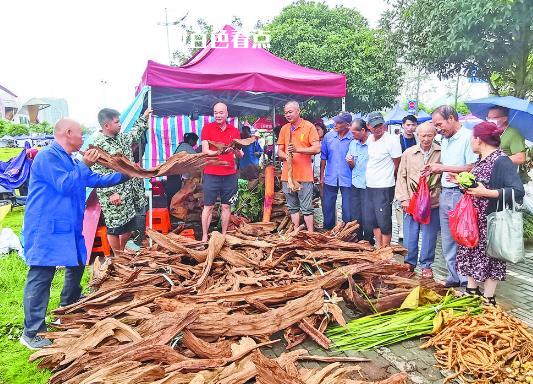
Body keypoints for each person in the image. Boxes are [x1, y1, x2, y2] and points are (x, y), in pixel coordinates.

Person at [20, 118, 128, 349]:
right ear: (68, 133)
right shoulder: (48, 156)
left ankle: (67, 309)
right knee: (41, 274)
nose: (83, 138)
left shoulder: (69, 159)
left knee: (78, 263)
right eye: (81, 134)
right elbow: (65, 185)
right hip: (46, 227)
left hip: (68, 225)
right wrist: (84, 165)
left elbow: (94, 180)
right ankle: (32, 332)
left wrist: (126, 174)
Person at [450, 122, 524, 304]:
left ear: (479, 140)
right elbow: (477, 187)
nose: (471, 143)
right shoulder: (481, 160)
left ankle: (489, 298)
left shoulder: (501, 160)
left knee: (492, 257)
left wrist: (487, 193)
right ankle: (471, 290)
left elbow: (517, 191)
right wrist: (462, 183)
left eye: (471, 139)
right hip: (474, 220)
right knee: (472, 254)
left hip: (490, 220)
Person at [425, 105, 478, 288]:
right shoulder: (444, 139)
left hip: (461, 194)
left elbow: (472, 166)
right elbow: (448, 164)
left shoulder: (468, 137)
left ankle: (465, 279)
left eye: (439, 124)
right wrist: (434, 168)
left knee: (461, 236)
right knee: (447, 238)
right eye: (435, 126)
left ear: (452, 118)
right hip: (445, 192)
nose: (438, 129)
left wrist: (443, 168)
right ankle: (453, 276)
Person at [92, 108, 151, 252]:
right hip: (113, 194)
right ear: (106, 126)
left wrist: (144, 117)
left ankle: (122, 250)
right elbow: (98, 174)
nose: (120, 124)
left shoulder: (122, 138)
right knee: (115, 227)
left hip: (129, 190)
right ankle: (117, 256)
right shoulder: (98, 145)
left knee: (130, 225)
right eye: (117, 122)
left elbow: (134, 134)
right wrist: (112, 193)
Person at [395, 122, 441, 277]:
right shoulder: (408, 153)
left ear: (435, 135)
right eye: (423, 135)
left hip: (433, 202)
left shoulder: (441, 152)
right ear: (417, 135)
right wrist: (404, 200)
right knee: (410, 234)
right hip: (412, 201)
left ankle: (426, 265)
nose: (426, 139)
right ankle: (409, 262)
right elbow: (401, 177)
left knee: (429, 235)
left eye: (429, 135)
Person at [200, 102, 243, 242]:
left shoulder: (234, 131)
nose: (218, 115)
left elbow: (240, 154)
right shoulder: (207, 128)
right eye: (215, 112)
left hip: (230, 174)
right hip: (211, 172)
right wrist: (219, 151)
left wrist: (235, 150)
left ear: (226, 113)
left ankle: (224, 235)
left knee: (226, 206)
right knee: (208, 206)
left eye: (221, 112)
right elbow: (205, 151)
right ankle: (205, 236)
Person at [277, 101, 320, 232]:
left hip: (304, 175)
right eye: (286, 113)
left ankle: (311, 234)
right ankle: (296, 232)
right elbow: (279, 151)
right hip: (287, 176)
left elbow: (317, 148)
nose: (287, 115)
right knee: (292, 206)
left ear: (298, 111)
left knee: (307, 207)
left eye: (290, 112)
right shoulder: (284, 129)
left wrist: (298, 149)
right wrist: (287, 156)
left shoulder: (309, 126)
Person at [364, 112, 402, 248]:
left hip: (384, 185)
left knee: (384, 220)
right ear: (369, 126)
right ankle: (379, 247)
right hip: (370, 185)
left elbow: (397, 162)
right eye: (375, 126)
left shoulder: (392, 140)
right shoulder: (369, 140)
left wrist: (393, 178)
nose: (379, 128)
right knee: (372, 219)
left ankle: (386, 249)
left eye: (381, 125)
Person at [320, 112, 353, 229]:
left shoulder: (353, 138)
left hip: (348, 177)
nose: (335, 124)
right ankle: (328, 230)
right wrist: (321, 177)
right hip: (330, 176)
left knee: (348, 207)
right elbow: (323, 158)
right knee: (328, 205)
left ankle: (347, 231)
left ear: (347, 125)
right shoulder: (328, 137)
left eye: (339, 122)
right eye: (335, 121)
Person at [346, 118, 372, 242]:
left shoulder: (373, 143)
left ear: (363, 130)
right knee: (355, 214)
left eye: (354, 132)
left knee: (368, 215)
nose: (352, 135)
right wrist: (350, 162)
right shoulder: (353, 144)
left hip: (369, 184)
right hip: (356, 183)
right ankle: (357, 239)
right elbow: (352, 166)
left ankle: (368, 240)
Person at [395, 114, 419, 240]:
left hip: (415, 175)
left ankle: (413, 225)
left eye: (413, 125)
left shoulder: (418, 139)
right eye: (408, 125)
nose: (410, 128)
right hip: (400, 174)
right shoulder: (397, 140)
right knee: (400, 202)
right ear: (403, 125)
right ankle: (401, 227)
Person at [165, 132, 199, 207]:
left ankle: (171, 208)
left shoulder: (182, 145)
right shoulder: (186, 146)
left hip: (172, 172)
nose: (195, 144)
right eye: (195, 141)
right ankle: (173, 208)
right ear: (190, 140)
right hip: (174, 172)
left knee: (172, 191)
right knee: (175, 191)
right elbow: (196, 158)